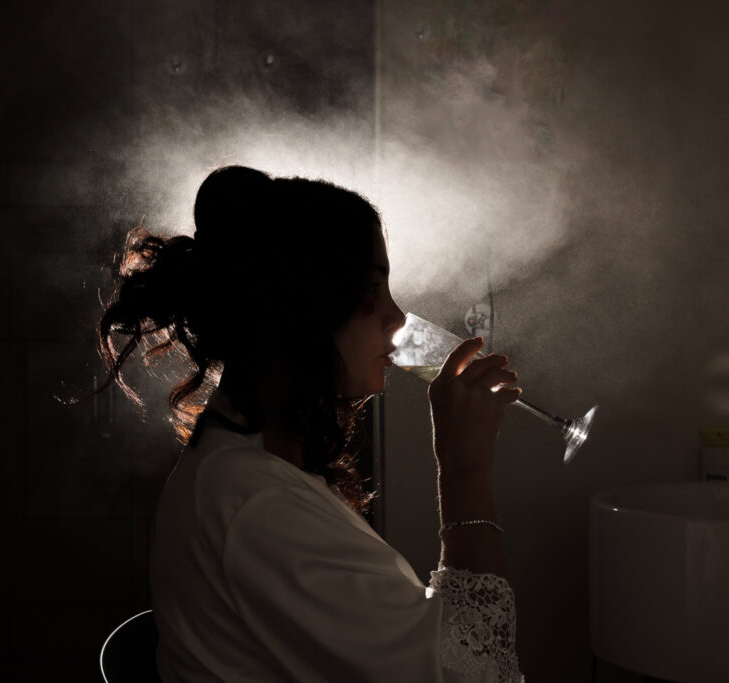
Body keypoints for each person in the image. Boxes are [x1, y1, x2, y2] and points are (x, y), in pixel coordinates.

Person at [95, 166, 523, 681]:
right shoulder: (260, 506)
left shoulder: (250, 454)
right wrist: (465, 467)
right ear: (303, 305)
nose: (396, 319)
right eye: (372, 289)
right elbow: (479, 672)